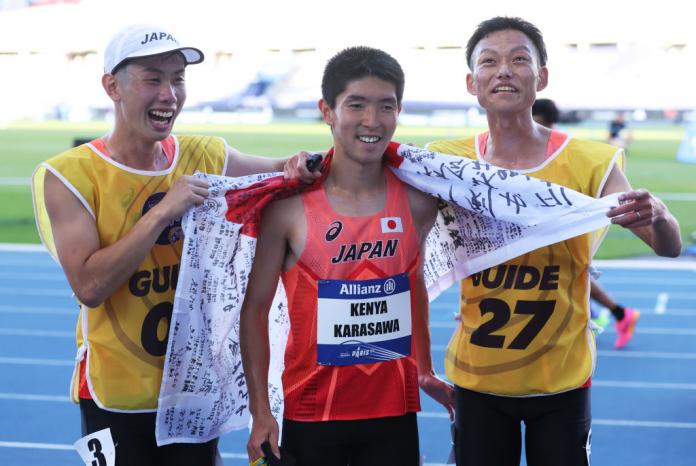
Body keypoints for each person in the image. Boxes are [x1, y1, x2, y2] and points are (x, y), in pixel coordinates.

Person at [31, 24, 318, 466]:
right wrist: (164, 210)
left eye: (178, 78)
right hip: (115, 394)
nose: (169, 93)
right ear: (113, 86)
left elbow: (284, 173)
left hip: (192, 392)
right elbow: (90, 285)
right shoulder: (68, 175)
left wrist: (301, 163)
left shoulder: (203, 155)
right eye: (153, 78)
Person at [427, 17, 681, 466]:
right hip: (476, 378)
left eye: (519, 59)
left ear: (541, 76)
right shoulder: (448, 161)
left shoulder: (588, 162)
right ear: (472, 82)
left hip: (561, 378)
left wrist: (659, 216)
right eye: (489, 61)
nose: (504, 70)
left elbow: (669, 246)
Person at [239, 46, 454, 466]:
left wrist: (424, 370)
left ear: (399, 110)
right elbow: (255, 310)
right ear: (327, 110)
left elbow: (414, 287)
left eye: (385, 107)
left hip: (394, 412)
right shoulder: (287, 209)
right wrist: (261, 412)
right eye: (356, 105)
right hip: (312, 413)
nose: (372, 122)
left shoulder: (418, 202)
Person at [532, 98, 641, 349]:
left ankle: (611, 313)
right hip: (554, 229)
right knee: (571, 276)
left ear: (545, 121)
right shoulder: (542, 148)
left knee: (570, 275)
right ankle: (615, 313)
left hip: (564, 229)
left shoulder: (564, 153)